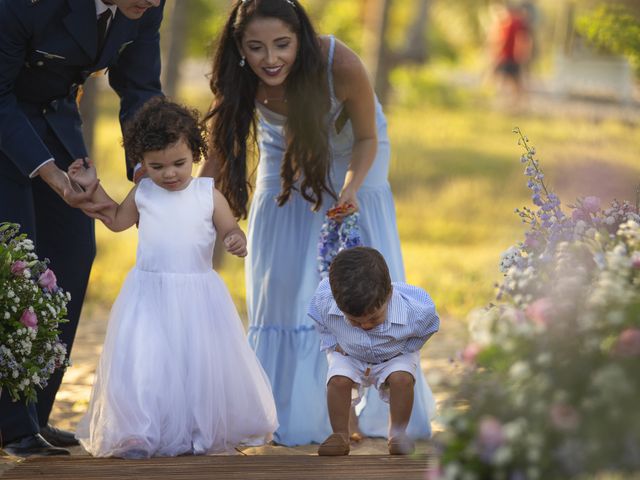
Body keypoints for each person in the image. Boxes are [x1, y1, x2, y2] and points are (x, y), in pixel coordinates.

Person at [203, 0, 436, 445]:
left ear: (301, 41)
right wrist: (193, 201)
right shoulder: (238, 78)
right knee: (285, 278)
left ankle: (374, 404)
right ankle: (292, 406)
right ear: (239, 48)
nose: (270, 59)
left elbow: (368, 136)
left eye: (282, 45)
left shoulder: (339, 63)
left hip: (355, 153)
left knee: (358, 271)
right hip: (283, 153)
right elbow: (218, 148)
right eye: (256, 47)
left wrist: (349, 188)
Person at [68, 97, 278, 458]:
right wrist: (92, 184)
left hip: (198, 294)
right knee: (147, 363)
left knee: (195, 362)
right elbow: (117, 220)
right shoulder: (144, 192)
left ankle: (199, 426)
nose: (169, 174)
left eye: (179, 163)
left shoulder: (206, 194)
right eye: (156, 166)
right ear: (142, 163)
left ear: (194, 153)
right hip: (148, 292)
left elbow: (230, 226)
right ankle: (140, 430)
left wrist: (234, 238)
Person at [0, 0, 166, 456]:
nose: (151, 3)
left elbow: (140, 89)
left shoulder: (145, 5)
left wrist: (148, 171)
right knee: (20, 263)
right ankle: (11, 423)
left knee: (72, 255)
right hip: (5, 119)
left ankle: (34, 412)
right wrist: (50, 174)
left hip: (56, 120)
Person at [308, 247, 440, 456]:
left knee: (402, 379)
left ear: (389, 294)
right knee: (337, 381)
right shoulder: (325, 300)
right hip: (349, 352)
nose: (366, 326)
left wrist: (405, 349)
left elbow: (430, 326)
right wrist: (333, 344)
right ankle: (340, 435)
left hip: (394, 354)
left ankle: (397, 434)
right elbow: (319, 319)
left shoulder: (415, 310)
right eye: (354, 321)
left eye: (374, 319)